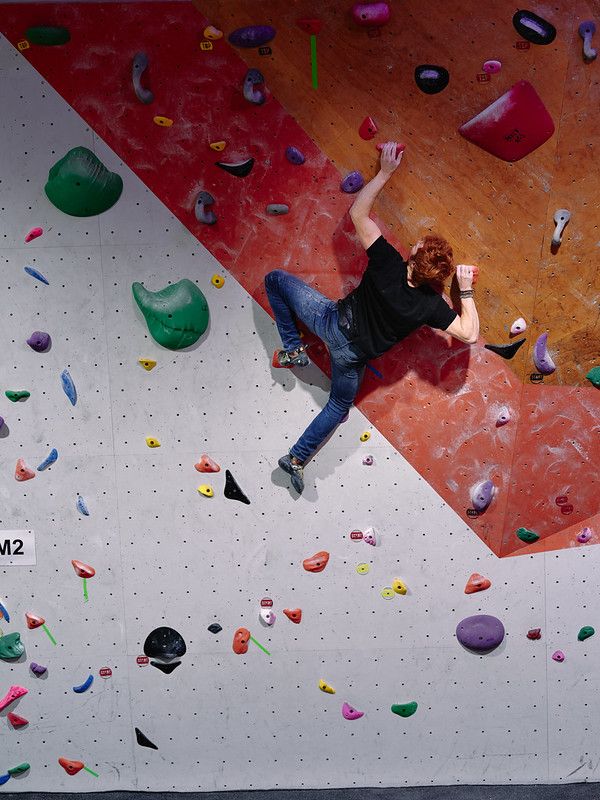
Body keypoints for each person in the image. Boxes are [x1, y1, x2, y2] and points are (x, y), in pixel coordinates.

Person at [265, 142, 479, 495]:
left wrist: (385, 172)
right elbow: (469, 334)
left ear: (414, 258)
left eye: (420, 244)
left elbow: (358, 214)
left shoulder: (387, 262)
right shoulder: (430, 305)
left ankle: (292, 349)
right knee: (338, 405)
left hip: (330, 322)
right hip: (352, 358)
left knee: (275, 280)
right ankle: (297, 458)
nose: (417, 241)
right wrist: (466, 290)